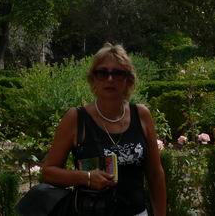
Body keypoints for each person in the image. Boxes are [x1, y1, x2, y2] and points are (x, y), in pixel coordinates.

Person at [41, 43, 166, 216]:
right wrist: (86, 177)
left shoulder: (141, 115)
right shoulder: (76, 118)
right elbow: (48, 172)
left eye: (118, 73)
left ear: (128, 79)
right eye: (102, 73)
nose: (110, 79)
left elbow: (155, 174)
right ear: (93, 79)